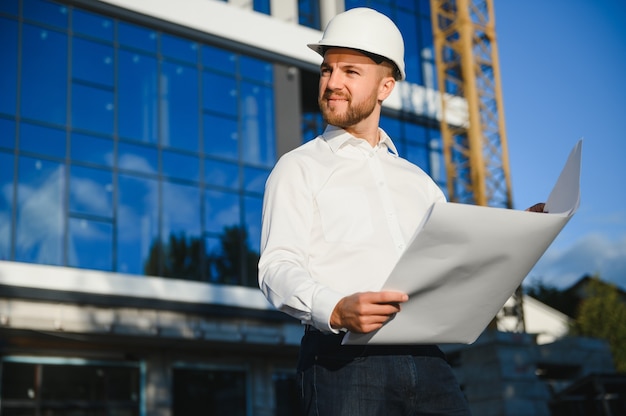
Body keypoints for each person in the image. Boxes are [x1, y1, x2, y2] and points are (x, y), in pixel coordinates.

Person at [258, 7, 473, 416]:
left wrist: (509, 235)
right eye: (326, 70)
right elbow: (276, 267)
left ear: (385, 86)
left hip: (431, 363)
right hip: (341, 363)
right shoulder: (299, 166)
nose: (332, 83)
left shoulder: (420, 182)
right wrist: (334, 308)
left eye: (350, 72)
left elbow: (451, 264)